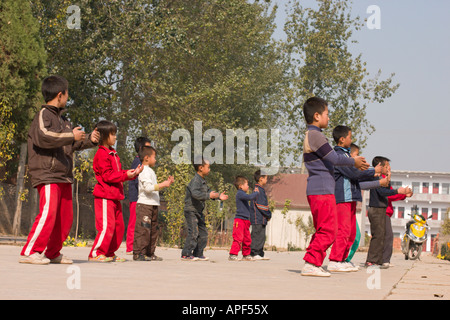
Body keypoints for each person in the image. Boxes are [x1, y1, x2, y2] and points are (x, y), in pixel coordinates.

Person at [20, 75, 100, 265]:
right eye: (67, 93)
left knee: (65, 217)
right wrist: (69, 135)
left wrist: (90, 139)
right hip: (47, 173)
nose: (67, 96)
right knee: (48, 212)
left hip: (64, 175)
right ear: (59, 95)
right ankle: (31, 251)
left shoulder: (64, 120)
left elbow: (71, 143)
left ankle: (53, 252)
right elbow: (44, 137)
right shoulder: (43, 115)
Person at [300, 97, 369, 277]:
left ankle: (312, 261)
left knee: (325, 228)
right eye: (326, 114)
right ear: (316, 116)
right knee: (330, 229)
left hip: (320, 189)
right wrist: (353, 161)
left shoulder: (313, 135)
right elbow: (335, 159)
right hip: (321, 190)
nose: (328, 118)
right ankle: (311, 262)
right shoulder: (315, 135)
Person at [328, 126, 383, 272]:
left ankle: (343, 259)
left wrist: (370, 172)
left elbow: (356, 173)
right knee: (343, 230)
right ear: (342, 139)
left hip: (351, 197)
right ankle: (335, 259)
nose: (351, 140)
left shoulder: (346, 156)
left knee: (351, 231)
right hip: (342, 198)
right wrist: (373, 171)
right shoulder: (339, 157)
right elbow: (354, 174)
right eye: (350, 137)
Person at [88, 120, 143, 262]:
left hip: (115, 196)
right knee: (107, 227)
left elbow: (117, 174)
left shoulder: (113, 154)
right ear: (104, 136)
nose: (115, 137)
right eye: (112, 134)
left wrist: (132, 173)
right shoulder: (101, 154)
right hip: (105, 196)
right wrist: (126, 175)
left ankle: (109, 253)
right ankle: (96, 253)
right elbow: (107, 175)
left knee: (118, 227)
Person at [364, 156, 410, 268]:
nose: (389, 168)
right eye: (386, 166)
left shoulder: (383, 178)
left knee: (382, 236)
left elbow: (387, 191)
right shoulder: (376, 177)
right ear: (380, 166)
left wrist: (390, 179)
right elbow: (384, 192)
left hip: (381, 209)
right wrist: (398, 191)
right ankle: (371, 260)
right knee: (378, 236)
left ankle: (379, 260)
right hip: (376, 209)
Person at [181, 157, 228, 261]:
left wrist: (218, 196)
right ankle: (186, 254)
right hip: (191, 210)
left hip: (199, 211)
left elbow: (209, 192)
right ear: (201, 168)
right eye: (208, 167)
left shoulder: (203, 181)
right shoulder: (195, 180)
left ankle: (198, 253)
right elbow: (195, 194)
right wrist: (208, 196)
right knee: (193, 232)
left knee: (203, 233)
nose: (209, 169)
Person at [133, 146, 174, 261]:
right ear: (146, 158)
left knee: (153, 229)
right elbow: (148, 188)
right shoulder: (144, 170)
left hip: (153, 204)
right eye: (154, 157)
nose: (155, 160)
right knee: (143, 229)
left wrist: (167, 183)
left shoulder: (150, 171)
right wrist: (163, 184)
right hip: (145, 205)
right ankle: (138, 253)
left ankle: (149, 253)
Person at [126, 137, 152, 255]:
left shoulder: (144, 163)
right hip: (136, 197)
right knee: (134, 222)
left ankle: (138, 245)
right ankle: (130, 247)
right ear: (141, 149)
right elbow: (137, 180)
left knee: (140, 223)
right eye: (148, 148)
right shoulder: (138, 162)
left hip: (141, 197)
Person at [382, 170, 413, 267]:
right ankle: (382, 260)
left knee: (386, 236)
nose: (389, 170)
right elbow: (389, 195)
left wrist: (403, 195)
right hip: (382, 211)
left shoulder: (386, 180)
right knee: (387, 236)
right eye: (387, 167)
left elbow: (392, 195)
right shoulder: (382, 179)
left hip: (386, 212)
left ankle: (383, 259)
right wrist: (402, 193)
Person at [229, 176, 259, 261]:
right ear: (241, 186)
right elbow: (250, 197)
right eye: (247, 184)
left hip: (246, 220)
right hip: (240, 220)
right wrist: (256, 193)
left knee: (247, 238)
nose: (248, 186)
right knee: (238, 237)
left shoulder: (243, 194)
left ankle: (246, 255)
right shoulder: (240, 193)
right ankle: (233, 254)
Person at [250, 170, 272, 260]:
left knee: (261, 236)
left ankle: (260, 253)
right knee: (256, 235)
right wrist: (268, 214)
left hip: (262, 218)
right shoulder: (258, 190)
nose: (267, 180)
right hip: (257, 217)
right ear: (261, 179)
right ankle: (254, 253)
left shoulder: (261, 189)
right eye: (266, 178)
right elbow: (261, 205)